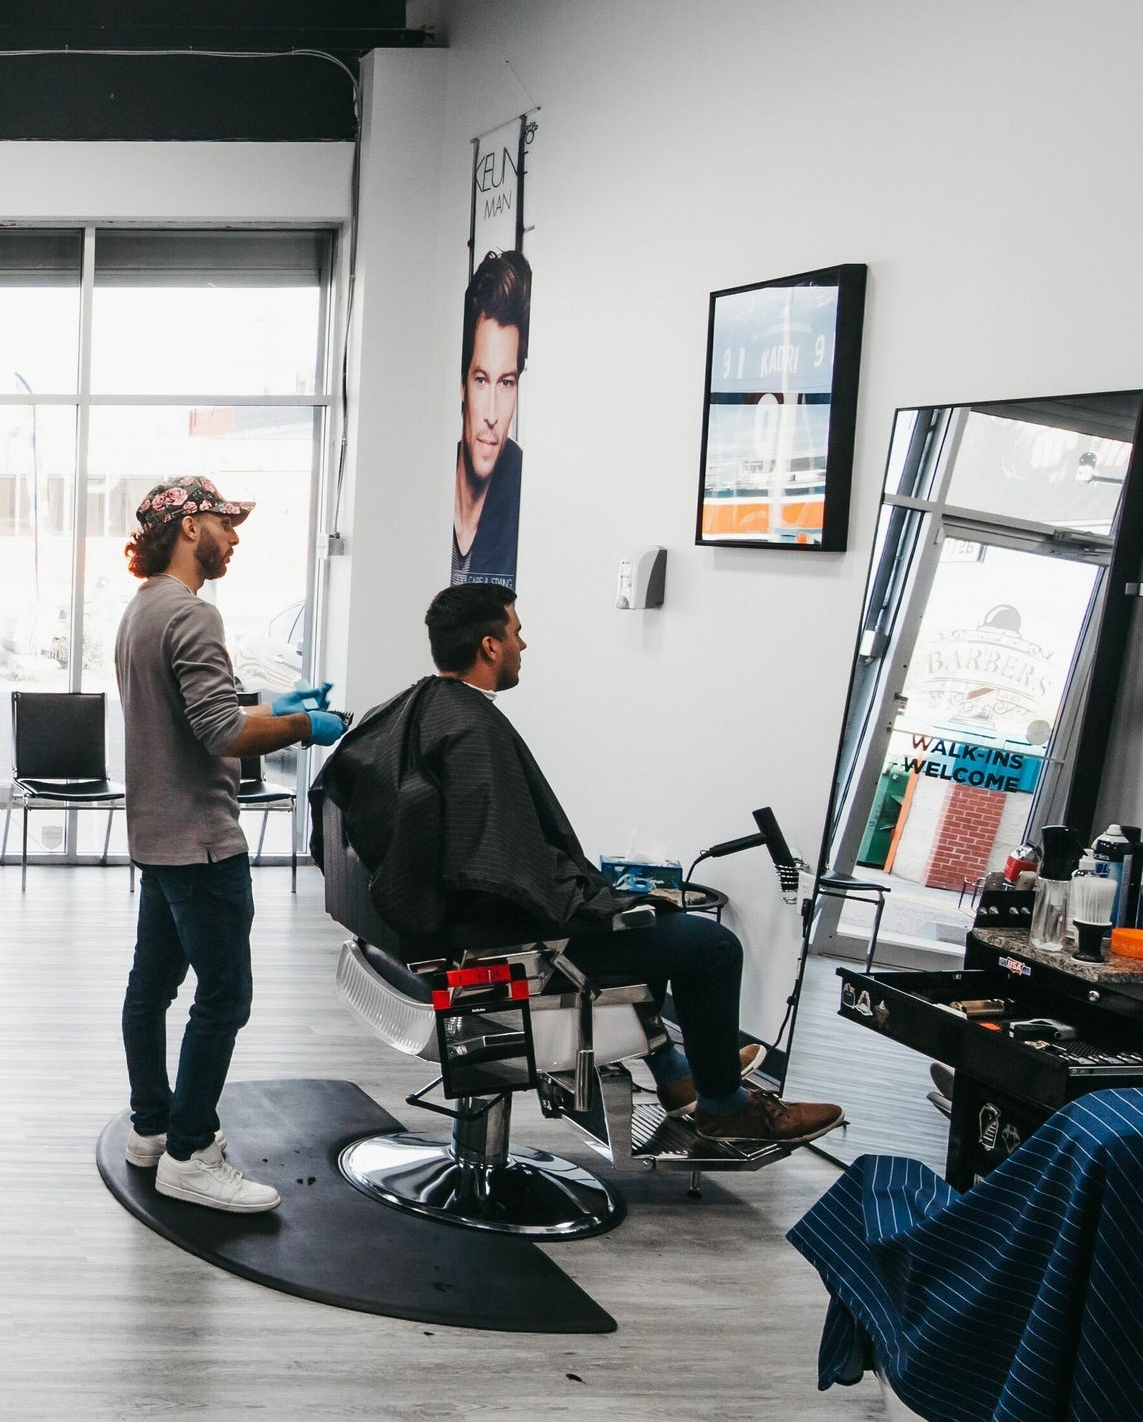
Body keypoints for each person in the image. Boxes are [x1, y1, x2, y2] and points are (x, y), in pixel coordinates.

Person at [332, 583, 841, 1151]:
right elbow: (504, 872)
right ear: (490, 646)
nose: (525, 643)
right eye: (516, 631)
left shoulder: (413, 708)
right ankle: (726, 1106)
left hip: (418, 941)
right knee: (708, 947)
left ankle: (678, 1076)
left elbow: (490, 851)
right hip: (490, 955)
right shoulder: (474, 731)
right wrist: (604, 903)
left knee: (640, 923)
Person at [112, 476, 347, 1214]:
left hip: (157, 836)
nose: (235, 535)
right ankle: (191, 1151)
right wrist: (305, 728)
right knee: (225, 996)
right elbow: (219, 731)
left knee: (151, 987)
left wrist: (274, 705)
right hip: (205, 845)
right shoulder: (193, 614)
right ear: (188, 527)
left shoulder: (141, 609)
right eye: (226, 522)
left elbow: (199, 707)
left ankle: (151, 1128)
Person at [451, 251, 528, 586]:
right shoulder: (432, 475)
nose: (493, 416)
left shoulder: (524, 484)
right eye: (481, 380)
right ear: (463, 385)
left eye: (506, 383)